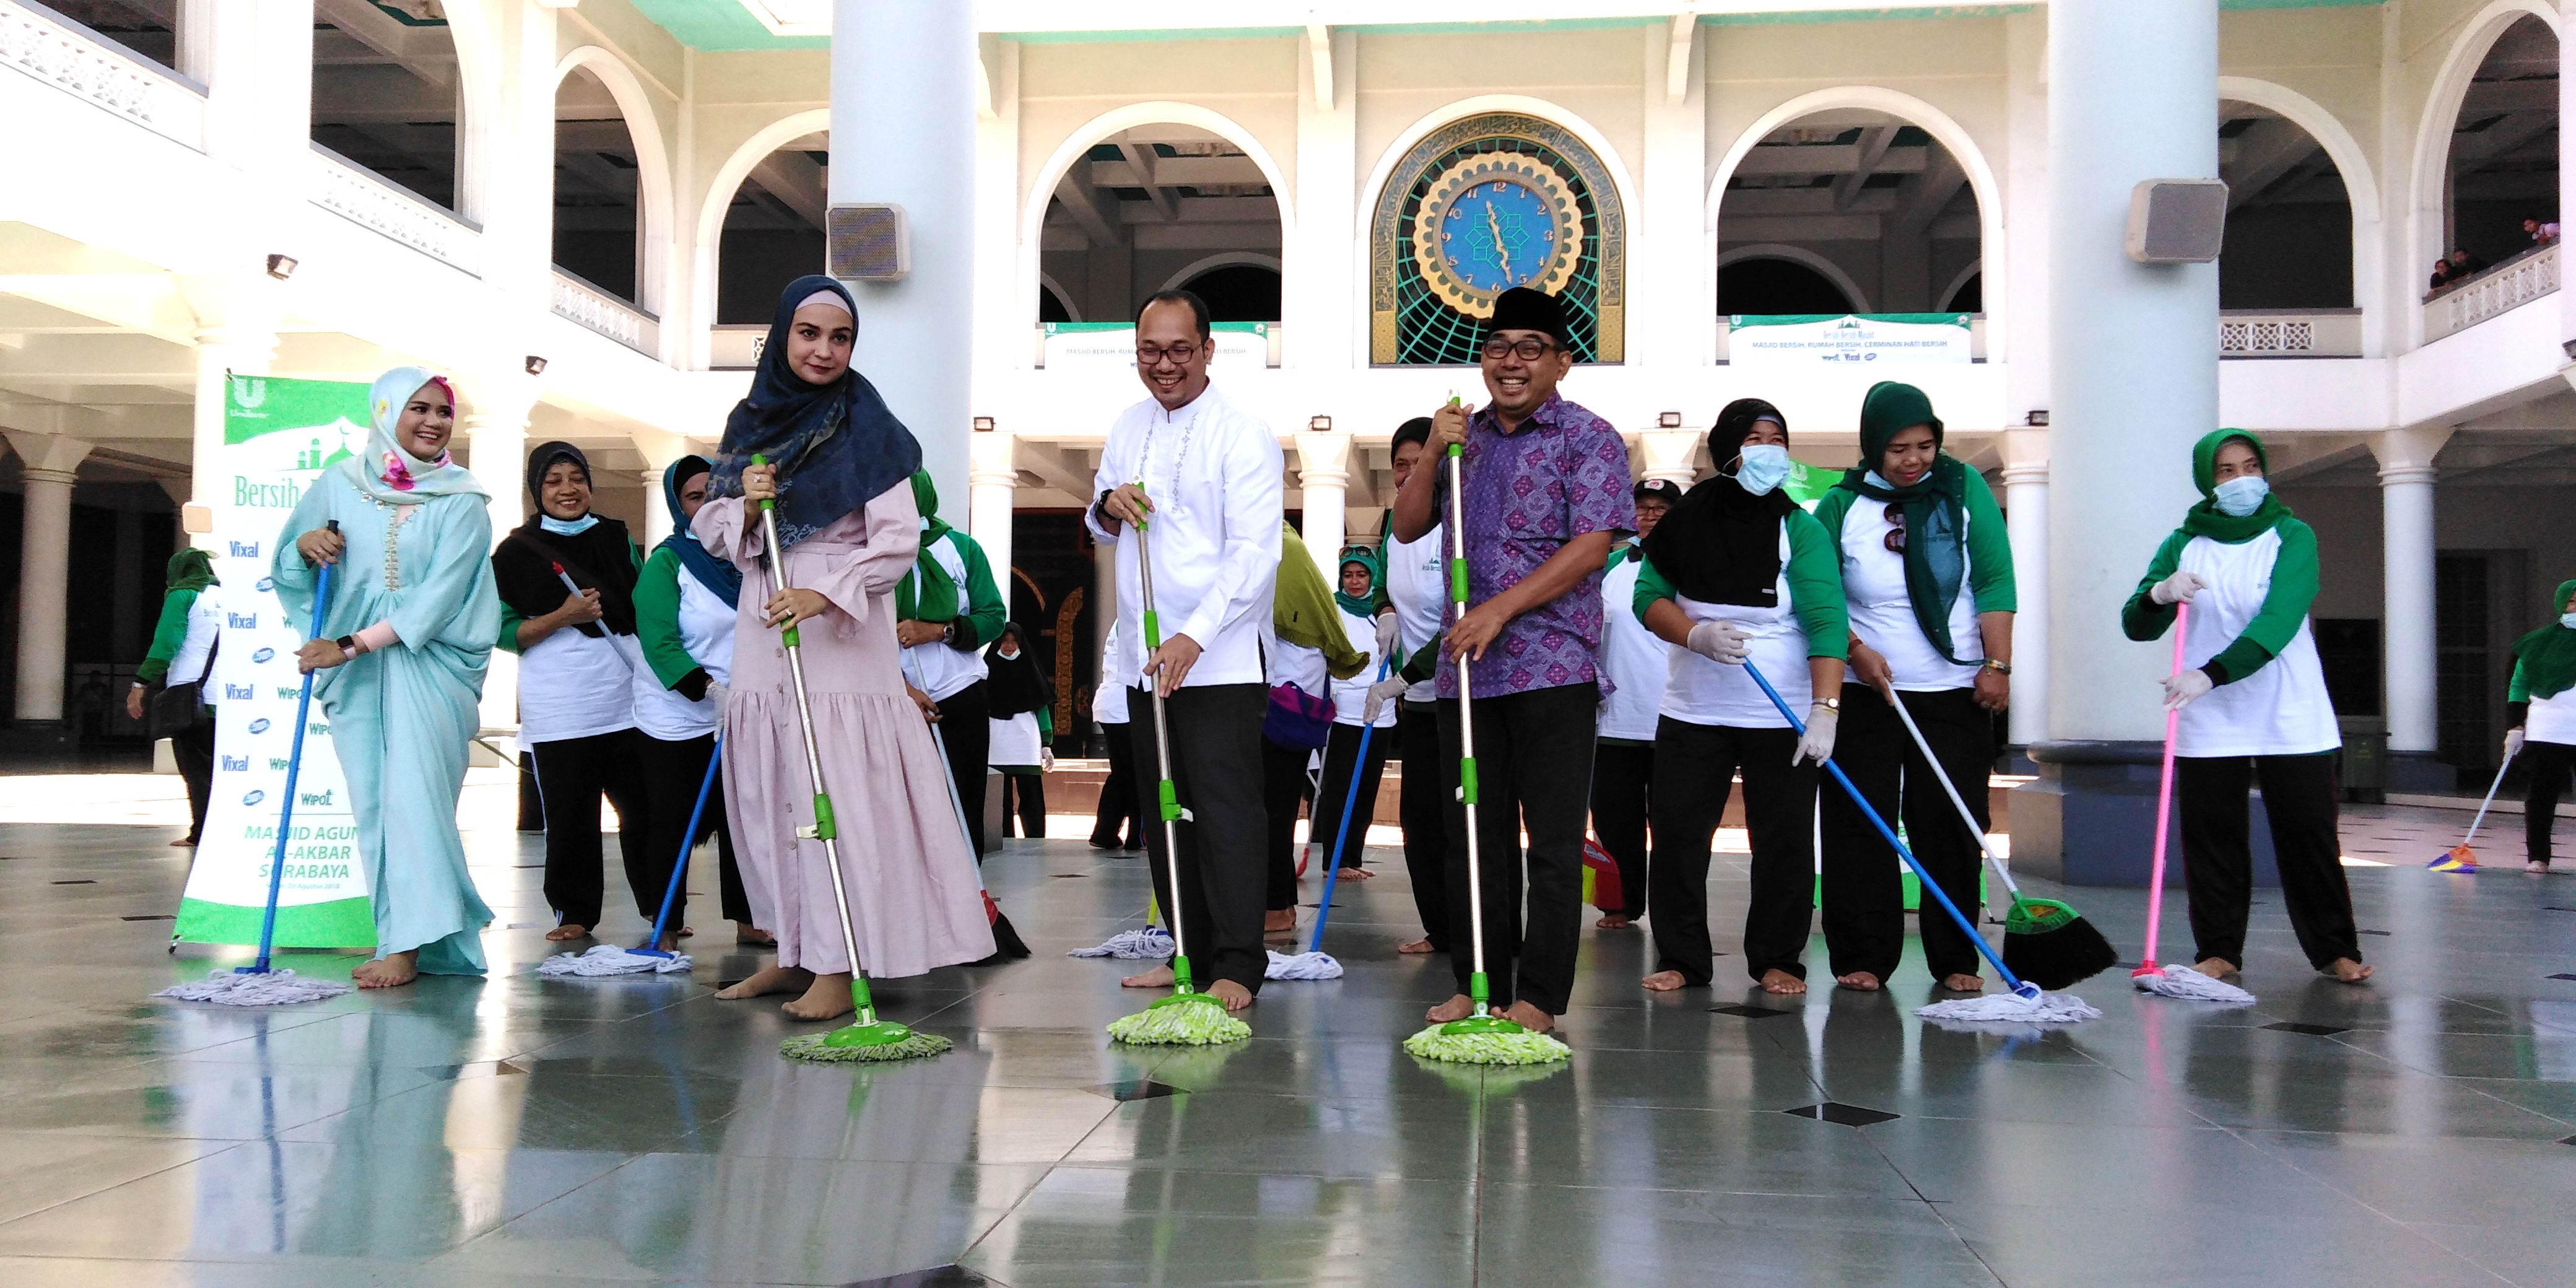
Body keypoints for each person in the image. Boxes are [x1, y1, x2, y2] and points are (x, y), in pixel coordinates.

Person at [697, 274, 993, 1019]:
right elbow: (710, 530)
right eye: (808, 333)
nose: (824, 350)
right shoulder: (749, 425)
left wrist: (824, 592)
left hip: (839, 638)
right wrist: (744, 506)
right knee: (777, 796)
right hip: (765, 629)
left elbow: (895, 543)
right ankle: (794, 951)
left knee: (836, 794)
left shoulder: (871, 429)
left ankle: (840, 959)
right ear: (781, 337)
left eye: (840, 337)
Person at [1389, 286, 1634, 1037]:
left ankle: (1540, 997)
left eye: (1531, 348)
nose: (1511, 362)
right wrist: (1433, 448)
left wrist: (1498, 608)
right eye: (1497, 347)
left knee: (1552, 843)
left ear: (1562, 361)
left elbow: (1591, 546)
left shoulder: (1589, 438)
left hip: (1552, 667)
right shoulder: (1468, 441)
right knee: (1472, 832)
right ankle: (1476, 979)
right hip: (1471, 672)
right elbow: (1404, 527)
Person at [1086, 288, 1284, 1014]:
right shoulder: (1126, 425)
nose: (1162, 365)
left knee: (1225, 812)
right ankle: (1187, 953)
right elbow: (1105, 517)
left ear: (1207, 349)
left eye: (1177, 349)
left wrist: (1193, 635)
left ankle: (1237, 961)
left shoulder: (1241, 432)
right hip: (1146, 660)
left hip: (1219, 660)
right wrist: (1105, 505)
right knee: (1163, 806)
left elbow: (1252, 554)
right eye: (1148, 350)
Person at [272, 365, 501, 988]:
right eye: (418, 408)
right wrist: (307, 545)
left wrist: (348, 645)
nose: (432, 421)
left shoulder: (463, 499)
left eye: (443, 411)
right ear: (386, 411)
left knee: (416, 803)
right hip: (356, 674)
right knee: (375, 804)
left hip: (430, 665)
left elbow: (437, 599)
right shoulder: (339, 483)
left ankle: (408, 945)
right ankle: (404, 933)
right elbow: (291, 558)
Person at [2122, 429, 2370, 984]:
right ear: (2208, 481)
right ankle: (2219, 950)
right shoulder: (2184, 542)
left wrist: (2211, 674)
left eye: (2249, 466)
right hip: (2207, 713)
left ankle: (2334, 947)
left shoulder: (2291, 534)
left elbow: (2280, 621)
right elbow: (2136, 625)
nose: (2240, 480)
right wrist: (2157, 594)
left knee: (2308, 832)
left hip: (2287, 708)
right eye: (2226, 471)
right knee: (2213, 837)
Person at [1634, 400, 1847, 994]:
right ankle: (1680, 957)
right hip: (1694, 710)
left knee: (1782, 841)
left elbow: (1827, 621)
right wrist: (1694, 634)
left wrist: (1824, 711)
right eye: (1753, 439)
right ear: (1728, 448)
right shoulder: (1685, 522)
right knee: (1677, 836)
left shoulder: (1800, 528)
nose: (1767, 450)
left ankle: (1778, 956)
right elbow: (1648, 597)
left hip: (1779, 712)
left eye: (1777, 438)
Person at [1811, 381, 2016, 994]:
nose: (1912, 460)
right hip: (1865, 692)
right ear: (1872, 445)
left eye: (1924, 445)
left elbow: (1994, 579)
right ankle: (1863, 955)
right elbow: (1819, 596)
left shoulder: (1962, 489)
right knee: (1860, 823)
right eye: (1897, 448)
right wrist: (1854, 651)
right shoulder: (1840, 506)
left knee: (1949, 823)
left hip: (1954, 691)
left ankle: (1955, 955)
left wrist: (1997, 665)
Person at [492, 442, 651, 944]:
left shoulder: (616, 536)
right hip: (561, 705)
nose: (567, 489)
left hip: (627, 700)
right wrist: (566, 616)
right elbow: (503, 632)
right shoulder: (515, 553)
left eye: (576, 478)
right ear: (537, 490)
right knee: (570, 814)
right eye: (553, 480)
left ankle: (660, 908)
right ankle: (575, 913)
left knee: (644, 811)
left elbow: (642, 603)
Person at [631, 454, 764, 947]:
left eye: (718, 494)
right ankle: (664, 925)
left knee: (744, 819)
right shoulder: (667, 563)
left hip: (744, 710)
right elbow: (660, 641)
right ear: (678, 505)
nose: (710, 505)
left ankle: (750, 919)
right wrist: (709, 690)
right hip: (677, 713)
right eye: (695, 496)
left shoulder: (753, 558)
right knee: (672, 820)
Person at [1260, 525, 1369, 933]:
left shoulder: (1277, 551)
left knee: (1270, 809)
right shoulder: (1283, 550)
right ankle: (1279, 904)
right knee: (1275, 808)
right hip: (1284, 704)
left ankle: (1275, 907)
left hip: (1279, 707)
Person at [1370, 417, 1451, 957]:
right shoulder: (1392, 525)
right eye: (1401, 463)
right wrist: (1382, 610)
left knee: (1460, 820)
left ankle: (1483, 933)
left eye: (1419, 462)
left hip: (1459, 698)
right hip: (1417, 705)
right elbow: (1380, 575)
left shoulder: (1460, 524)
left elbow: (1460, 620)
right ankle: (1439, 929)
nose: (1408, 473)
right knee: (1418, 822)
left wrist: (1407, 676)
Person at [898, 470, 1009, 855]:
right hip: (892, 696)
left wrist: (937, 631)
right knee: (899, 809)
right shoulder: (867, 554)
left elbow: (992, 616)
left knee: (962, 801)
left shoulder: (960, 548)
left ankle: (967, 903)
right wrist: (902, 689)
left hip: (959, 694)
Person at [1590, 477, 1681, 930]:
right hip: (1616, 718)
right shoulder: (1606, 566)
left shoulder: (1692, 568)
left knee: (1673, 826)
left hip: (1674, 716)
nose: (1649, 515)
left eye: (1661, 509)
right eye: (1642, 507)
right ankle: (1621, 905)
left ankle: (1673, 915)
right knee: (1615, 820)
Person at [1309, 546, 1398, 881]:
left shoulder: (1386, 611)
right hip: (1345, 710)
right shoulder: (1332, 609)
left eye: (1362, 575)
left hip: (1383, 707)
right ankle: (1334, 859)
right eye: (1349, 575)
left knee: (1366, 788)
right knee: (1340, 787)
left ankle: (1352, 857)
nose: (1355, 582)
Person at [129, 548, 225, 848]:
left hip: (192, 698)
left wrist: (140, 684)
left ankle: (201, 832)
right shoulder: (228, 598)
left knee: (197, 769)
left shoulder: (182, 596)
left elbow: (166, 643)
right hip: (232, 697)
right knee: (224, 770)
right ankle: (226, 827)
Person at [2507, 580, 2576, 875]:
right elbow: (2519, 686)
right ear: (2561, 604)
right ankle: (2538, 858)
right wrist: (2514, 727)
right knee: (2542, 797)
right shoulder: (2538, 642)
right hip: (2547, 730)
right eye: (2572, 601)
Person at [986, 622, 1055, 839]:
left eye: (1014, 641)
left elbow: (1041, 704)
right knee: (1000, 794)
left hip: (1025, 736)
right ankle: (1003, 836)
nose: (1009, 645)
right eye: (1005, 641)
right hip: (995, 736)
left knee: (1031, 791)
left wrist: (1046, 743)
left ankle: (1035, 836)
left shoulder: (1030, 667)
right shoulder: (986, 668)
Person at [1088, 620, 1143, 850]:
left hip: (1110, 702)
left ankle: (1105, 832)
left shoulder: (1122, 620)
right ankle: (1136, 837)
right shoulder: (1139, 615)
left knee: (1121, 774)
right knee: (1138, 774)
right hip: (1125, 705)